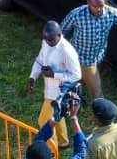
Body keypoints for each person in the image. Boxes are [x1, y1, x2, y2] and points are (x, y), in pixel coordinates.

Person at [28, 20, 81, 149]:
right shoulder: (46, 42)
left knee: (44, 121)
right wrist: (32, 77)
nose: (48, 43)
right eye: (46, 39)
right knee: (57, 115)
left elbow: (77, 75)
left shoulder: (67, 51)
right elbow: (40, 60)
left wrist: (54, 75)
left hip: (60, 93)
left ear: (59, 34)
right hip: (49, 90)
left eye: (51, 40)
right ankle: (63, 142)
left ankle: (51, 150)